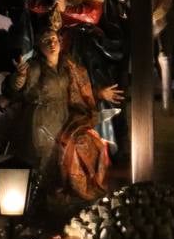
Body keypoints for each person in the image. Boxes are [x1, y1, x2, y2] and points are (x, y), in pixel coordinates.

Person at [7, 27, 121, 200]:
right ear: (39, 45)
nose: (52, 44)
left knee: (86, 147)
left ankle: (73, 192)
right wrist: (20, 76)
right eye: (47, 41)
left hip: (67, 116)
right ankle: (44, 198)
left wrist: (99, 94)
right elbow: (19, 88)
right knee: (48, 160)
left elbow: (79, 91)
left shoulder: (69, 64)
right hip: (44, 119)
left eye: (54, 39)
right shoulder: (35, 66)